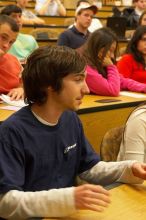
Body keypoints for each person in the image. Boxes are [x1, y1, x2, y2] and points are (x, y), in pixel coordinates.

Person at [1, 45, 146, 219]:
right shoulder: (11, 132)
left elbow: (89, 168)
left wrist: (129, 168)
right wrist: (67, 199)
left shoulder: (70, 119)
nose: (85, 89)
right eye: (78, 80)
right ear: (49, 84)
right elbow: (6, 203)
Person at [82, 27, 146, 96]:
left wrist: (144, 88)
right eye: (110, 50)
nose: (112, 56)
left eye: (113, 51)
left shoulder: (101, 64)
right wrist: (111, 66)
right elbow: (113, 90)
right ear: (98, 48)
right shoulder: (86, 69)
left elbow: (122, 81)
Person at [0, 14, 23, 100]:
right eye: (3, 37)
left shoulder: (14, 61)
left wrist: (21, 89)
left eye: (11, 42)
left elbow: (24, 83)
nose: (6, 45)